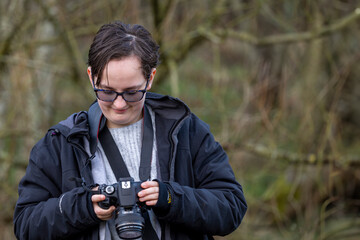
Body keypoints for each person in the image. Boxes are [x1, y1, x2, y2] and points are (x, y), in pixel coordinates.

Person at [13, 21, 247, 240]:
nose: (119, 104)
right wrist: (83, 206)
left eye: (132, 92)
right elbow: (25, 224)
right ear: (90, 77)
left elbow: (231, 206)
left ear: (150, 78)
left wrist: (170, 198)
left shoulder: (185, 130)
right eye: (106, 91)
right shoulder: (61, 142)